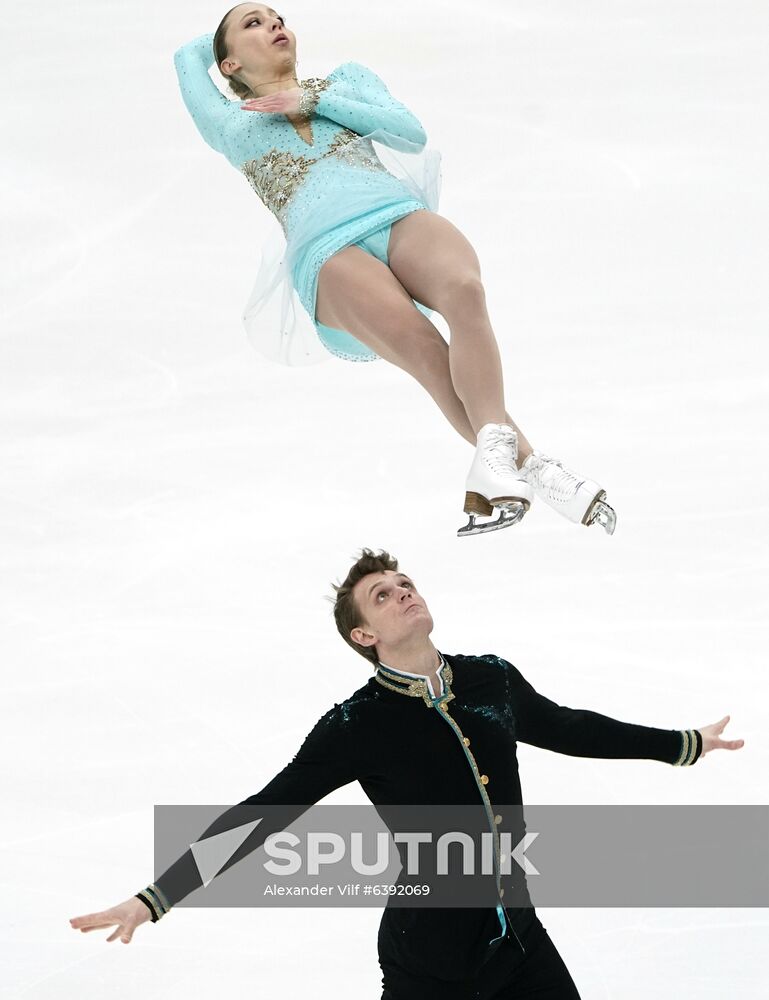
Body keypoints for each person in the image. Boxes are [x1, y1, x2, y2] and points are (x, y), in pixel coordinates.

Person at [69, 548, 743, 999]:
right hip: (431, 956)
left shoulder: (490, 679)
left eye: (404, 585)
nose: (402, 595)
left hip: (516, 933)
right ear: (364, 636)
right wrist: (154, 898)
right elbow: (264, 812)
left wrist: (679, 743)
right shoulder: (357, 725)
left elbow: (567, 727)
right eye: (382, 596)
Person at [170, 3, 618, 538]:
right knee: (429, 354)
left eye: (277, 16)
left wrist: (310, 97)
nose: (274, 24)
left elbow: (409, 132)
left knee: (466, 290)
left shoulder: (346, 80)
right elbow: (186, 55)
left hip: (394, 214)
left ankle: (499, 459)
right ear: (228, 66)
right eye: (253, 23)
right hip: (329, 252)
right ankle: (543, 473)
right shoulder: (230, 124)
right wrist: (229, 55)